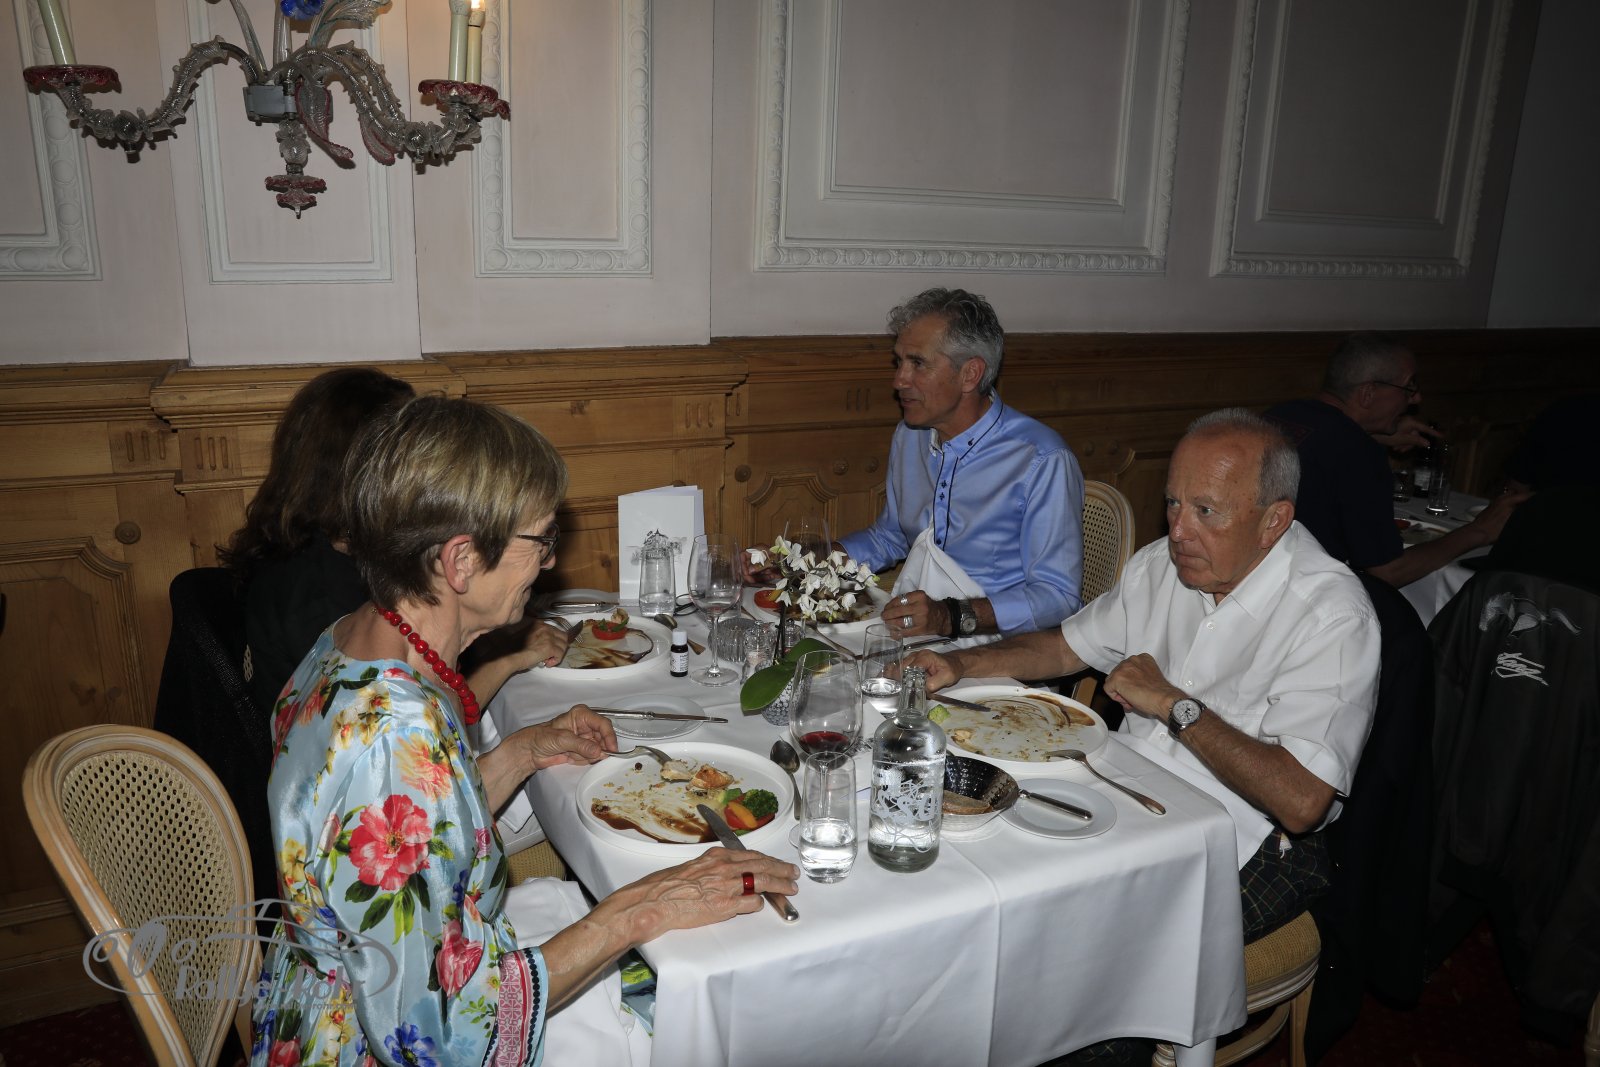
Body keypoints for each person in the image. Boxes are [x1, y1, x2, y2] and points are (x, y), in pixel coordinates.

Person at [251, 396, 798, 1066]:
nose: (549, 560)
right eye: (541, 539)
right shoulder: (392, 737)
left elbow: (408, 831)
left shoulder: (355, 637)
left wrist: (523, 751)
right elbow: (442, 1034)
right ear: (459, 562)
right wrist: (639, 909)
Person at [909, 408, 1378, 939]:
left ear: (1274, 521)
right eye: (1174, 503)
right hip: (1129, 785)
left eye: (1206, 510)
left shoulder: (1331, 614)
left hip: (1250, 839)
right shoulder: (1164, 566)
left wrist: (1173, 705)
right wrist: (959, 664)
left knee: (1079, 937)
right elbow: (1065, 648)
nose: (1179, 531)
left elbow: (1302, 801)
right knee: (981, 868)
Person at [222, 368, 569, 718]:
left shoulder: (349, 607)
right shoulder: (318, 597)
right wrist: (510, 657)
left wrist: (521, 747)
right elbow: (408, 728)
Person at [836, 288, 1084, 646]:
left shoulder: (1041, 460)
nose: (899, 380)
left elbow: (1057, 597)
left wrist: (951, 616)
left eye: (917, 363)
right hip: (915, 637)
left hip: (1001, 652)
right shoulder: (910, 436)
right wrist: (806, 560)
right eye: (899, 362)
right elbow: (890, 536)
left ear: (970, 374)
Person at [1264, 332, 1527, 587]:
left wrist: (1372, 434)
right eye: (1408, 388)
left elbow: (1319, 446)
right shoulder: (1359, 451)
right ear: (1368, 393)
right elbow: (1388, 572)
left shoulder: (1278, 415)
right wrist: (1479, 531)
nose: (1416, 398)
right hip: (1304, 594)